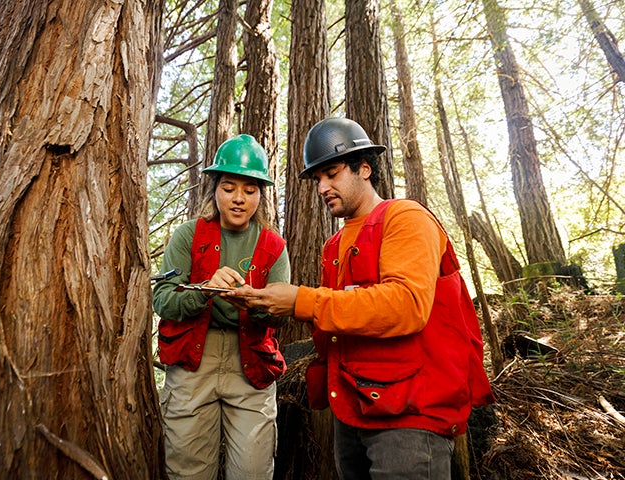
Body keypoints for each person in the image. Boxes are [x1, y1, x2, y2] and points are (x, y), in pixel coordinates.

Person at [228, 118, 495, 479]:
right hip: (352, 412)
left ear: (364, 168)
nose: (323, 187)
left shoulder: (406, 218)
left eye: (332, 173)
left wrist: (301, 302)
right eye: (317, 179)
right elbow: (343, 318)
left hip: (409, 419)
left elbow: (406, 306)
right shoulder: (334, 245)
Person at [153, 134, 291, 480]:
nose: (239, 199)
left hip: (251, 366)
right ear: (214, 189)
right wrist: (205, 290)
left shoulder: (274, 246)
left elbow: (280, 312)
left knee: (253, 470)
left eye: (249, 189)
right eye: (229, 187)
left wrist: (255, 301)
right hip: (192, 363)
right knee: (188, 469)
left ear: (261, 194)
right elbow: (163, 300)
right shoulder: (188, 236)